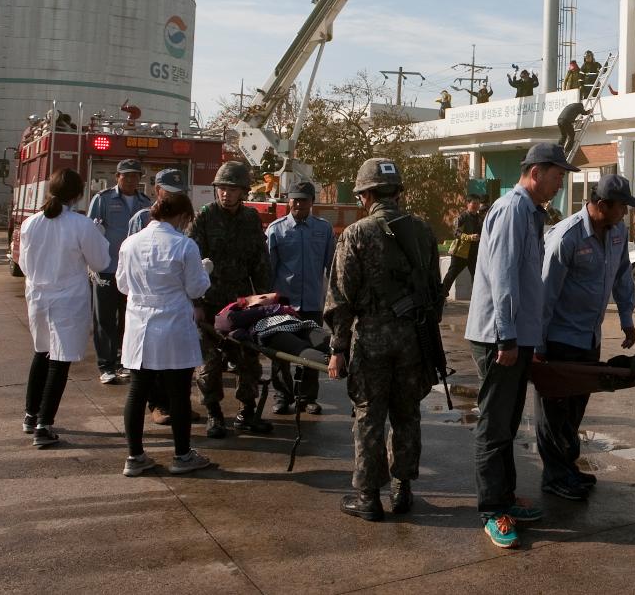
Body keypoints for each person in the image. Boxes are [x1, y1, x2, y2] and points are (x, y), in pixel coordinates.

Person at [465, 142, 578, 548]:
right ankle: (493, 510)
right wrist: (508, 336)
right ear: (536, 172)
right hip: (501, 338)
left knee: (507, 425)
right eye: (557, 176)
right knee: (494, 427)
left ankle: (506, 497)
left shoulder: (530, 212)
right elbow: (503, 278)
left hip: (516, 337)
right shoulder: (513, 210)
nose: (560, 184)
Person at [326, 158, 445, 521]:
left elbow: (340, 299)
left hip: (372, 339)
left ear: (366, 195)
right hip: (413, 338)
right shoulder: (423, 231)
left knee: (368, 416)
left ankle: (367, 497)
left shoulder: (357, 234)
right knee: (407, 414)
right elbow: (434, 292)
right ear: (398, 192)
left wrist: (337, 348)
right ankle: (402, 489)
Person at [536, 175, 635, 501]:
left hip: (589, 337)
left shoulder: (617, 232)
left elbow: (622, 274)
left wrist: (626, 317)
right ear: (601, 205)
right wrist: (538, 346)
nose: (625, 213)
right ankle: (554, 476)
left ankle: (567, 468)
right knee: (554, 412)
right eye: (622, 206)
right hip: (559, 339)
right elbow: (545, 294)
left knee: (575, 408)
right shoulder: (566, 237)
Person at [116, 191, 214, 477]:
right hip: (172, 325)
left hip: (139, 324)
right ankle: (182, 455)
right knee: (178, 393)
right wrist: (206, 270)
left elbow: (122, 284)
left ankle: (135, 456)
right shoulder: (184, 245)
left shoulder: (129, 243)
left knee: (137, 392)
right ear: (183, 217)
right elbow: (196, 288)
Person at [19, 168, 110, 447]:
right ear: (79, 195)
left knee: (42, 353)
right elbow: (101, 263)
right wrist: (100, 236)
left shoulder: (30, 223)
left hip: (38, 296)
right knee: (59, 360)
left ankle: (31, 416)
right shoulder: (81, 225)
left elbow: (23, 264)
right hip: (67, 298)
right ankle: (44, 426)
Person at [187, 161, 274, 439]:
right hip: (210, 302)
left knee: (249, 361)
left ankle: (246, 412)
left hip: (241, 305)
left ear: (243, 192)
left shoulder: (251, 219)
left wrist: (265, 303)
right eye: (222, 188)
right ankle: (214, 413)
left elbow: (261, 262)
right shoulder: (204, 218)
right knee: (208, 365)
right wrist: (196, 303)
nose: (225, 194)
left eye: (232, 189)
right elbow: (191, 262)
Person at [128, 167, 194, 425]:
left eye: (180, 193)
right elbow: (130, 267)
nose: (176, 197)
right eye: (171, 192)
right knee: (150, 369)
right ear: (157, 191)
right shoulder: (142, 219)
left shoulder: (185, 219)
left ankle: (177, 407)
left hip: (176, 307)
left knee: (176, 369)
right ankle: (159, 405)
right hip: (149, 305)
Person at [266, 180, 335, 415]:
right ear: (288, 201)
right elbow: (269, 269)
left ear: (311, 202)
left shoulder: (323, 229)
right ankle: (282, 396)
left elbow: (332, 266)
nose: (298, 203)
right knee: (280, 353)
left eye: (303, 200)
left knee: (313, 350)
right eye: (294, 199)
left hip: (313, 303)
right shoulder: (276, 229)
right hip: (283, 306)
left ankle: (307, 398)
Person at [87, 158, 152, 384]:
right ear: (117, 177)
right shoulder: (102, 199)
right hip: (106, 268)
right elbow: (91, 233)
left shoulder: (146, 202)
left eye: (136, 175)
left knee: (129, 318)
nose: (132, 179)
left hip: (134, 272)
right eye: (127, 175)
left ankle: (125, 362)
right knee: (104, 318)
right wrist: (92, 264)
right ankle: (106, 366)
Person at [440, 194, 484, 298]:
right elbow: (456, 233)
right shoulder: (462, 217)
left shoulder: (480, 218)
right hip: (460, 252)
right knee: (451, 274)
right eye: (474, 203)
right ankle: (441, 296)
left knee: (477, 276)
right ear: (468, 204)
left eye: (478, 203)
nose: (476, 205)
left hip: (474, 252)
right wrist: (469, 237)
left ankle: (477, 298)